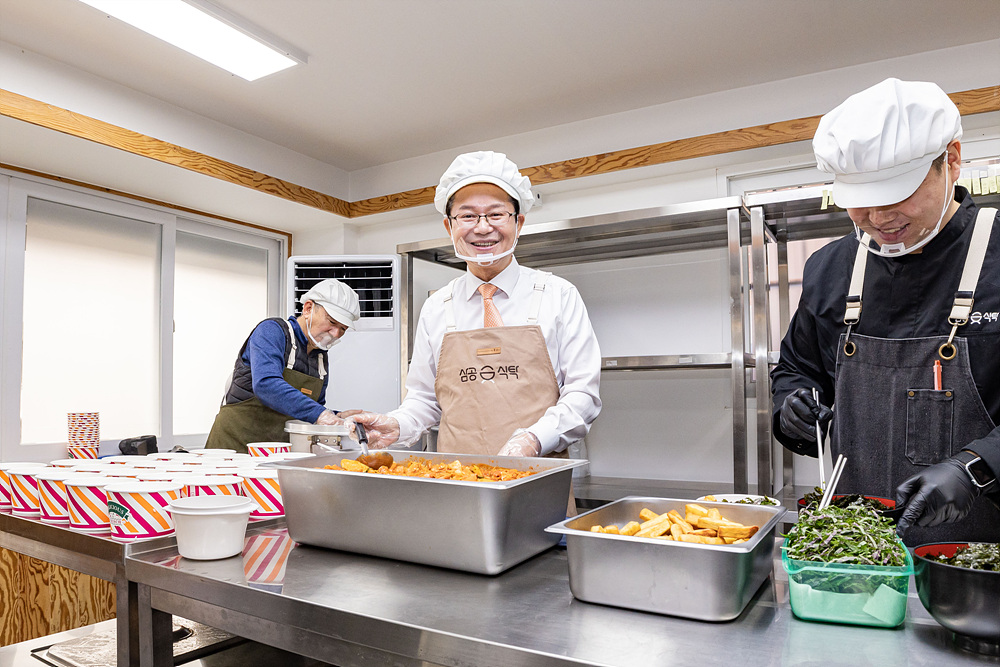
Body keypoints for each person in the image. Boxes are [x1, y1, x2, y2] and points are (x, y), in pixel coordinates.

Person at [771, 78, 1000, 545]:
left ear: (951, 160)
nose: (878, 218)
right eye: (859, 200)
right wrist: (792, 407)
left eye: (897, 194)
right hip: (859, 551)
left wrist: (979, 464)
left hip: (983, 561)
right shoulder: (829, 267)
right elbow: (796, 368)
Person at [348, 151, 602, 463]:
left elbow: (583, 397)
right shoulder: (436, 307)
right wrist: (397, 426)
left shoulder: (558, 295)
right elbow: (425, 400)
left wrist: (534, 439)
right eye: (468, 216)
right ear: (448, 226)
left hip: (539, 484)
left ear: (518, 222)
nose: (482, 228)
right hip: (456, 487)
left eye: (496, 214)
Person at [205, 278, 362, 453]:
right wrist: (320, 414)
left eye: (343, 329)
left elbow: (307, 410)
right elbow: (266, 385)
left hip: (275, 455)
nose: (335, 334)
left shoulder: (319, 359)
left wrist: (334, 416)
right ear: (308, 308)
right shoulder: (273, 331)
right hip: (232, 449)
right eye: (332, 322)